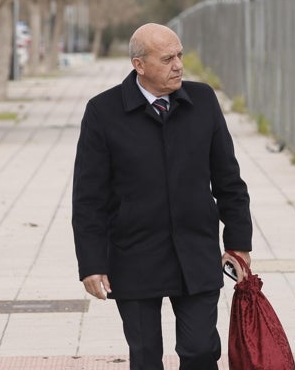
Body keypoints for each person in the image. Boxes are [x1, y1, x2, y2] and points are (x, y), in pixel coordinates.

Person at [72, 23, 253, 370]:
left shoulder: (203, 101)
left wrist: (238, 242)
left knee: (201, 351)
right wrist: (92, 263)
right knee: (145, 358)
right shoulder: (103, 111)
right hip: (134, 256)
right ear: (138, 65)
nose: (179, 65)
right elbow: (88, 198)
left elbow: (229, 179)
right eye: (167, 58)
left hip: (196, 253)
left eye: (180, 55)